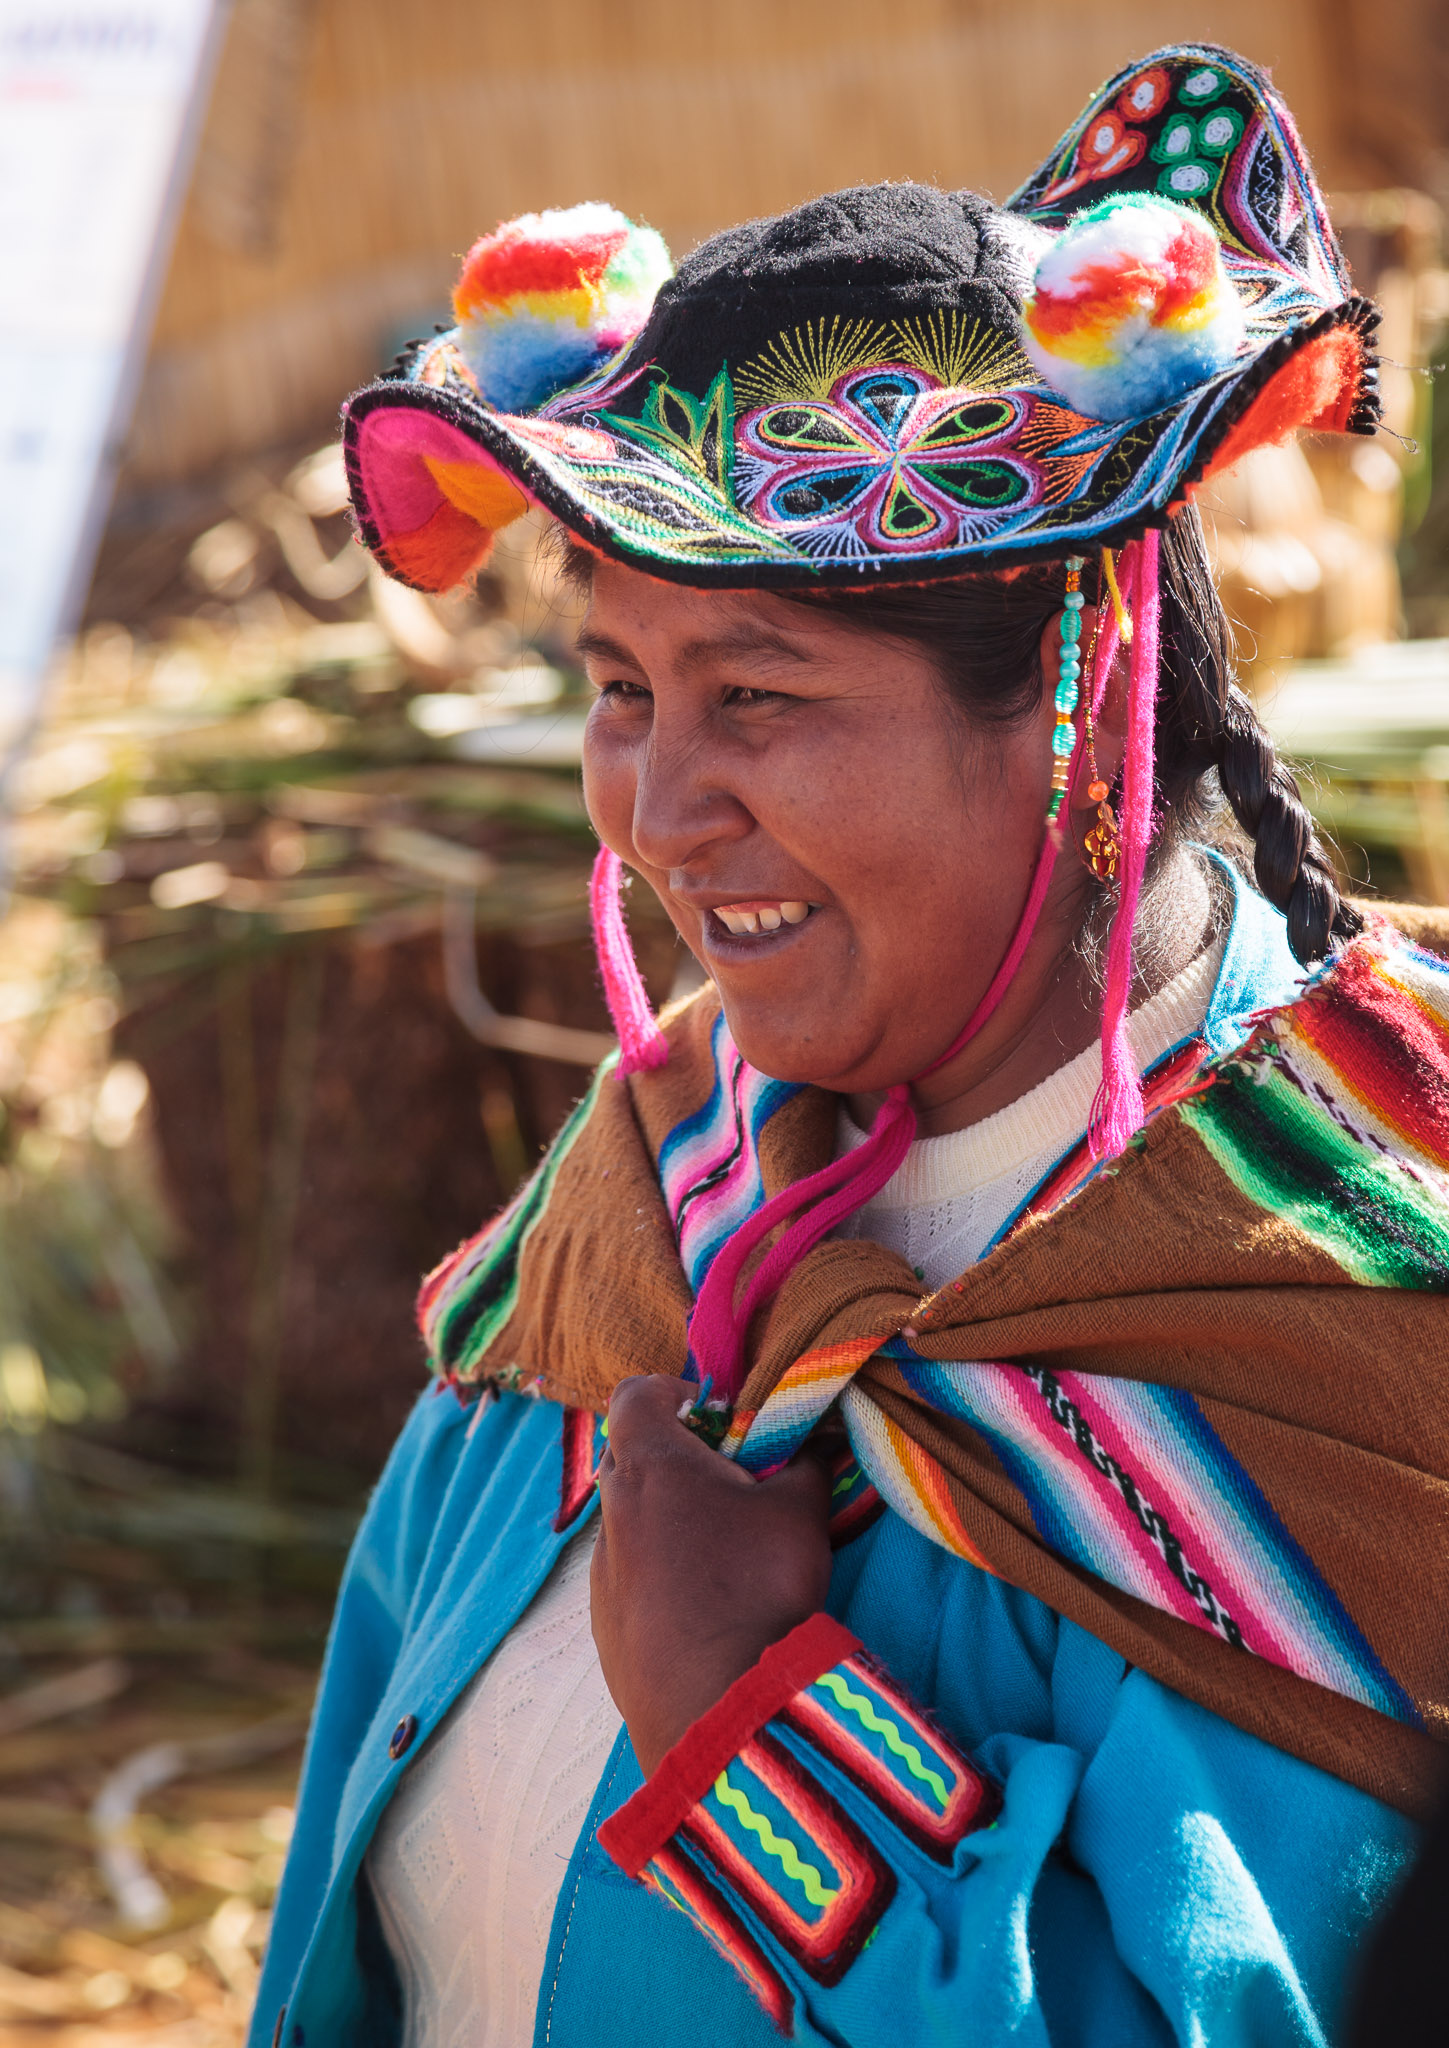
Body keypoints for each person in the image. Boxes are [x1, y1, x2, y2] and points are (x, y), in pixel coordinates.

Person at [251, 41, 1449, 2048]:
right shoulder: (639, 1227)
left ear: (1071, 708)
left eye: (759, 691)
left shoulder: (1338, 1335)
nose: (654, 805)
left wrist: (747, 1714)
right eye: (619, 683)